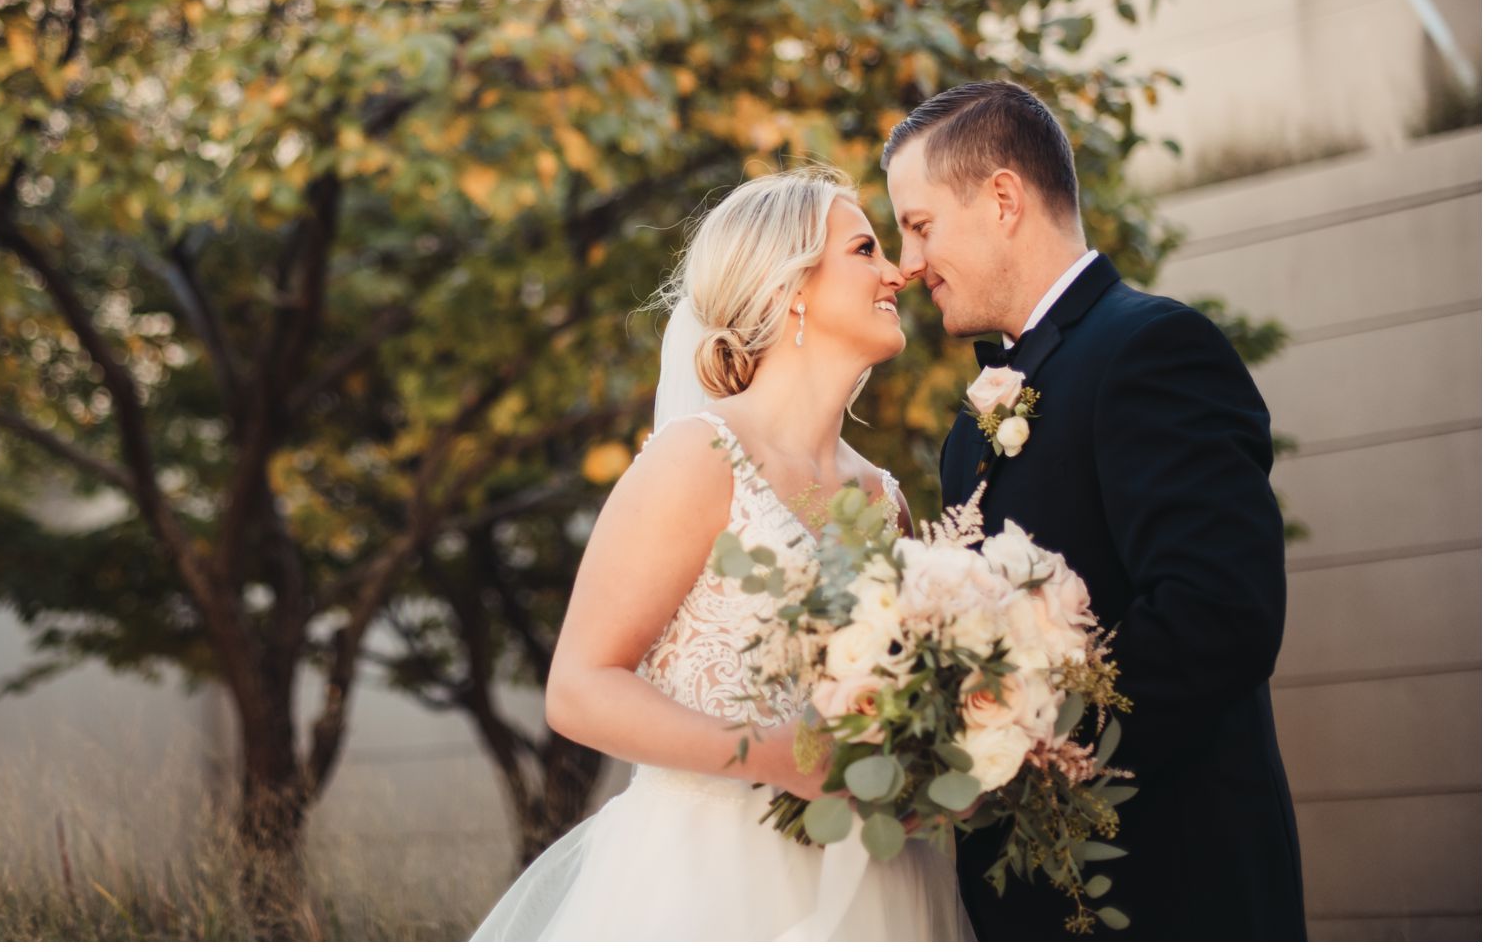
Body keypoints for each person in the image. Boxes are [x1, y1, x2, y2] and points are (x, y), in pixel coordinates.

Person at [470, 164, 972, 940]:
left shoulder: (885, 501)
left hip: (876, 887)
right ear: (788, 287)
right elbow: (577, 689)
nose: (897, 270)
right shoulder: (700, 458)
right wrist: (784, 758)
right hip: (710, 880)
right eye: (865, 249)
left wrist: (944, 767)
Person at [882, 80, 1307, 940]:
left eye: (920, 225)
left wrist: (1019, 748)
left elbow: (1219, 616)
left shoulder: (1154, 349)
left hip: (1171, 892)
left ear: (1004, 199)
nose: (907, 262)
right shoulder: (970, 435)